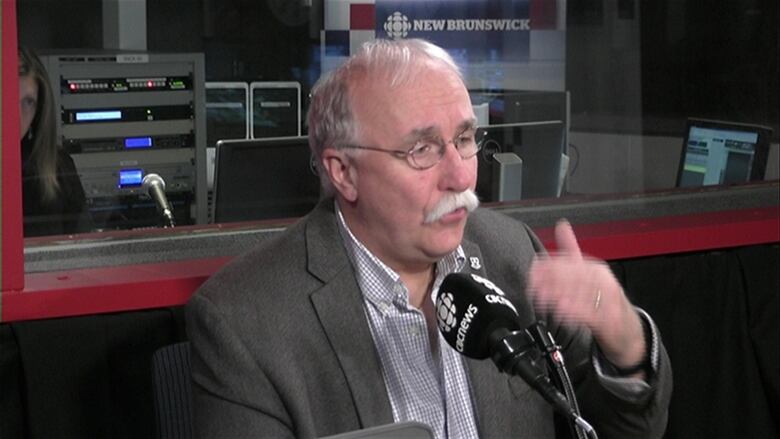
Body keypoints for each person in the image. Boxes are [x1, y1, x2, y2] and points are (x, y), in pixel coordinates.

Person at [186, 38, 672, 438]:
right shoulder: (245, 321)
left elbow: (629, 430)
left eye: (464, 140)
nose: (461, 176)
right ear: (344, 172)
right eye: (422, 150)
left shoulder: (513, 255)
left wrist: (624, 339)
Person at [19, 47, 92, 237]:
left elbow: (82, 249)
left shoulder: (58, 165)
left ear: (39, 109)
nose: (16, 115)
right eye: (7, 98)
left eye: (27, 102)